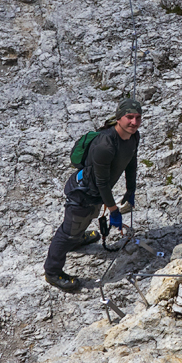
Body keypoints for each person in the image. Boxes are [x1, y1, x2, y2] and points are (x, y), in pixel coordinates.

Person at [44, 97, 142, 292]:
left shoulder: (133, 136)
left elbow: (131, 161)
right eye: (129, 117)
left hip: (96, 193)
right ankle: (52, 271)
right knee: (68, 232)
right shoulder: (105, 145)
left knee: (87, 218)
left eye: (138, 117)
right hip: (83, 193)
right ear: (119, 118)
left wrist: (130, 189)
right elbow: (101, 182)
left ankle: (78, 238)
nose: (134, 122)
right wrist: (113, 209)